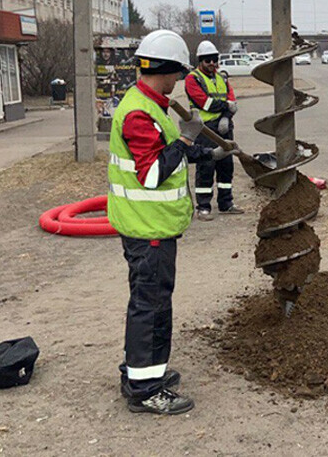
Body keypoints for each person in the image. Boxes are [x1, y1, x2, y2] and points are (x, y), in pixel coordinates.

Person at [107, 30, 240, 415]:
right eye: (178, 74)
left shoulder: (152, 105)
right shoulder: (138, 112)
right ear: (165, 70)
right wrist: (183, 141)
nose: (180, 80)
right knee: (150, 306)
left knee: (154, 302)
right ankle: (144, 389)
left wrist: (206, 152)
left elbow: (166, 151)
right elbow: (152, 173)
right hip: (146, 229)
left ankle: (145, 372)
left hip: (153, 228)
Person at [185, 40, 244, 220]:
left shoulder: (222, 78)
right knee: (206, 166)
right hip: (205, 130)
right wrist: (226, 108)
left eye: (214, 59)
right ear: (200, 60)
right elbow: (205, 103)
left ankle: (226, 203)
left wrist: (226, 116)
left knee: (226, 166)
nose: (212, 63)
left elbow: (232, 102)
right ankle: (203, 206)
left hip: (224, 128)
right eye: (207, 60)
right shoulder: (192, 79)